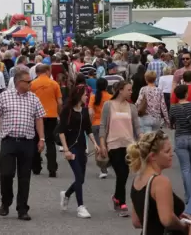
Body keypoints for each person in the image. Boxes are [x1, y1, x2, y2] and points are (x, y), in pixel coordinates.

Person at [0, 70, 46, 221]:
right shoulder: (4, 96)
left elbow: (39, 119)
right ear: (18, 82)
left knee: (24, 177)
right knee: (6, 173)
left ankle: (22, 209)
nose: (30, 84)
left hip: (27, 142)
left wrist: (41, 139)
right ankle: (6, 201)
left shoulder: (34, 98)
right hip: (9, 141)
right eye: (28, 82)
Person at [129, 131, 189, 234]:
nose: (171, 154)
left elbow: (136, 221)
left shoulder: (137, 180)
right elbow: (167, 220)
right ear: (153, 156)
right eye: (167, 151)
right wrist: (183, 226)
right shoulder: (160, 181)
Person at [99, 81, 140, 217]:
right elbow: (103, 125)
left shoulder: (132, 107)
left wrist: (142, 139)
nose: (131, 92)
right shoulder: (108, 105)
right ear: (120, 90)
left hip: (129, 144)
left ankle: (117, 197)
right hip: (113, 144)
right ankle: (122, 203)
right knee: (121, 173)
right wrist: (102, 144)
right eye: (129, 89)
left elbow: (137, 127)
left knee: (125, 173)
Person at [58, 85, 99, 218]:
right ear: (78, 95)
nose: (87, 96)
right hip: (71, 146)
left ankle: (66, 194)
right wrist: (65, 150)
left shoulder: (85, 111)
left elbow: (88, 129)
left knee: (80, 180)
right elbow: (61, 131)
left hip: (82, 146)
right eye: (85, 94)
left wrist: (95, 144)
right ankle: (80, 207)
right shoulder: (67, 110)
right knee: (79, 177)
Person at [169, 85, 191, 203]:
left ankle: (189, 195)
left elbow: (171, 123)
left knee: (185, 168)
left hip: (180, 137)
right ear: (186, 94)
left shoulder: (174, 108)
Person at [30, 64, 62, 177]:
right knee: (50, 142)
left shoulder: (32, 84)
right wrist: (59, 114)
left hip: (37, 116)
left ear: (37, 72)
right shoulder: (54, 84)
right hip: (51, 115)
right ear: (47, 71)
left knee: (36, 140)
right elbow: (60, 102)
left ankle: (36, 167)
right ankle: (52, 168)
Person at [88, 78, 111, 179]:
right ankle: (107, 164)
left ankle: (103, 169)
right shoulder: (110, 97)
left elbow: (90, 111)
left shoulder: (93, 97)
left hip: (96, 124)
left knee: (99, 146)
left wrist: (90, 122)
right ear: (106, 86)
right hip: (107, 125)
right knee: (107, 145)